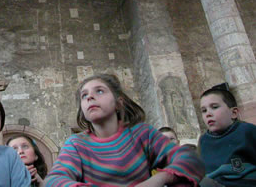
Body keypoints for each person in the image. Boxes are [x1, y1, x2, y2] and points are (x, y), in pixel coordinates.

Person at [45, 74, 205, 186]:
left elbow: (189, 159)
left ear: (118, 103)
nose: (89, 97)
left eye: (99, 91)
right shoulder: (76, 144)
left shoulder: (142, 134)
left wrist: (161, 178)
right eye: (84, 95)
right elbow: (54, 180)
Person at [198, 83, 256, 186]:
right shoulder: (203, 141)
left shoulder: (247, 131)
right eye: (204, 110)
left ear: (234, 113)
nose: (208, 113)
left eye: (214, 107)